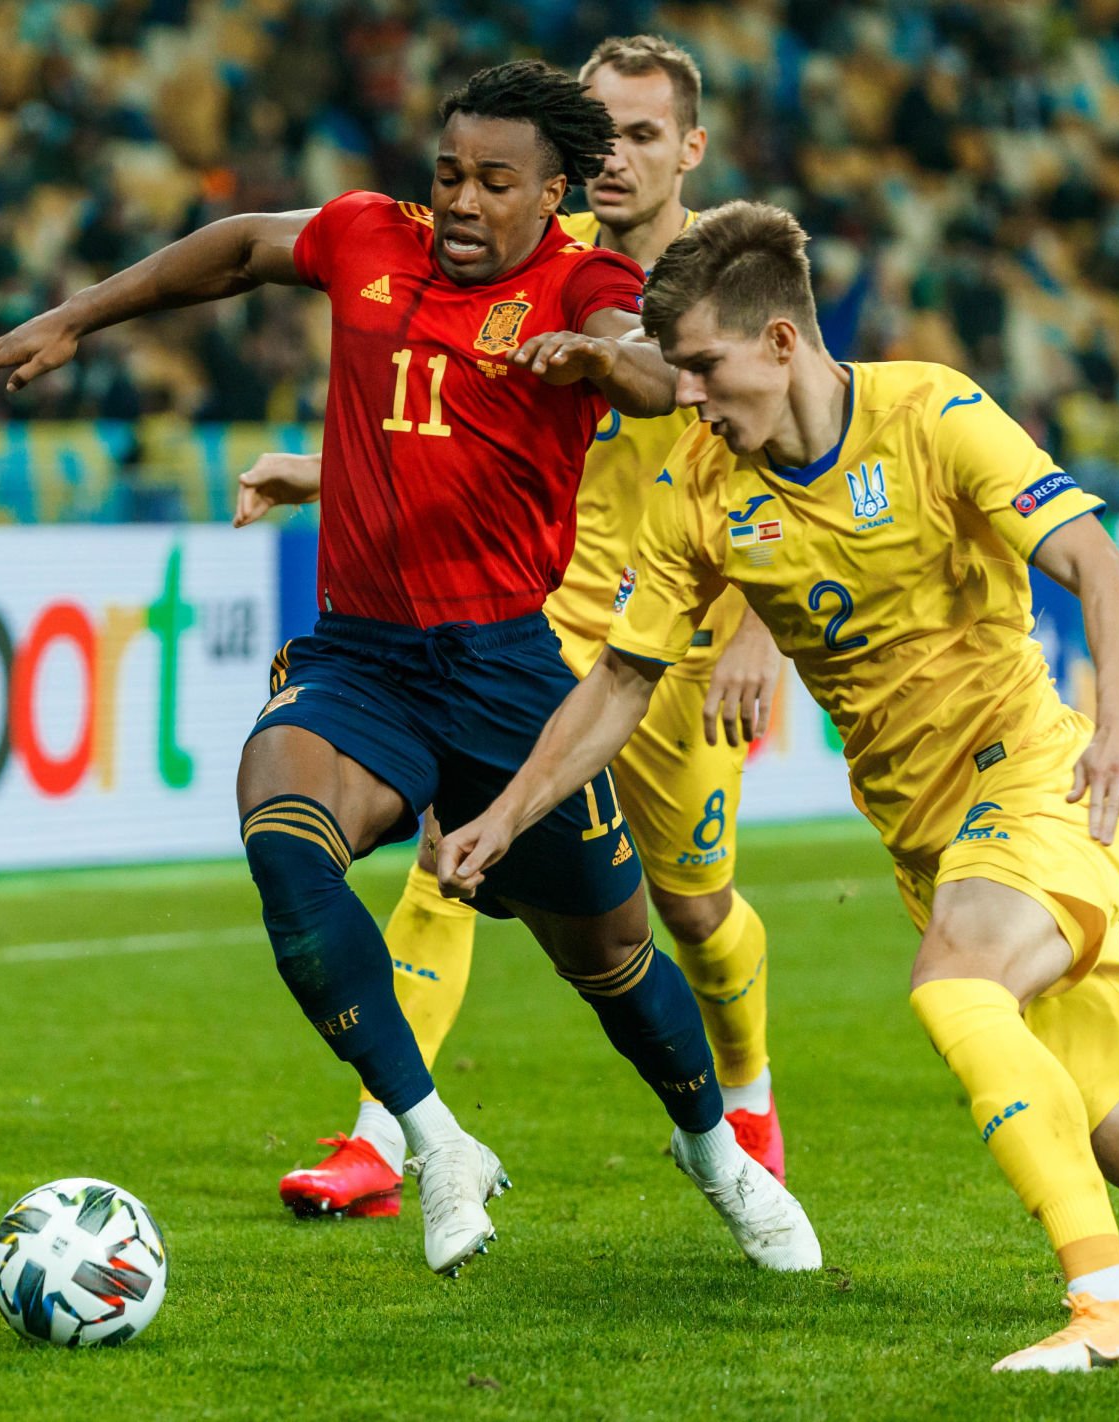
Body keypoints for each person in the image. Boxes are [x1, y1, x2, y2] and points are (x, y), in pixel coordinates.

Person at [436, 200, 1119, 1369]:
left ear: (779, 342)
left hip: (1043, 784)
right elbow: (620, 681)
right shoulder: (700, 490)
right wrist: (504, 818)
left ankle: (1111, 1312)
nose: (692, 400)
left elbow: (1100, 575)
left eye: (706, 369)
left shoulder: (931, 413)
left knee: (955, 985)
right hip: (933, 844)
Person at [0, 62, 819, 1280]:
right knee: (281, 834)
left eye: (493, 182)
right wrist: (76, 317)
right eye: (448, 173)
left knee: (616, 968)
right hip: (361, 656)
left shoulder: (583, 279)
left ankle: (714, 1153)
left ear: (552, 192)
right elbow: (242, 247)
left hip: (512, 672)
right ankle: (430, 1137)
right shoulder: (367, 235)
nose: (460, 200)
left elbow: (640, 362)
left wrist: (589, 359)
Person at [249, 35, 795, 1225]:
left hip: (676, 640)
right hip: (537, 628)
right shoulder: (532, 267)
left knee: (688, 912)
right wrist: (317, 470)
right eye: (596, 129)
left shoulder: (726, 288)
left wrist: (758, 623)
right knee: (450, 873)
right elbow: (444, 434)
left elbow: (791, 450)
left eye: (640, 134)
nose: (612, 154)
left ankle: (741, 1102)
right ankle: (385, 1135)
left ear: (687, 150)